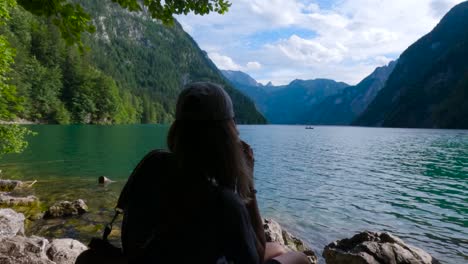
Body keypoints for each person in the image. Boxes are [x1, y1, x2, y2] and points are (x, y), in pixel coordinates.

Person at [119, 82, 309, 264]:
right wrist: (248, 184)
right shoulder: (223, 202)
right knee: (299, 258)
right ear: (226, 138)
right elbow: (256, 258)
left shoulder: (152, 165)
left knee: (278, 248)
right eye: (234, 124)